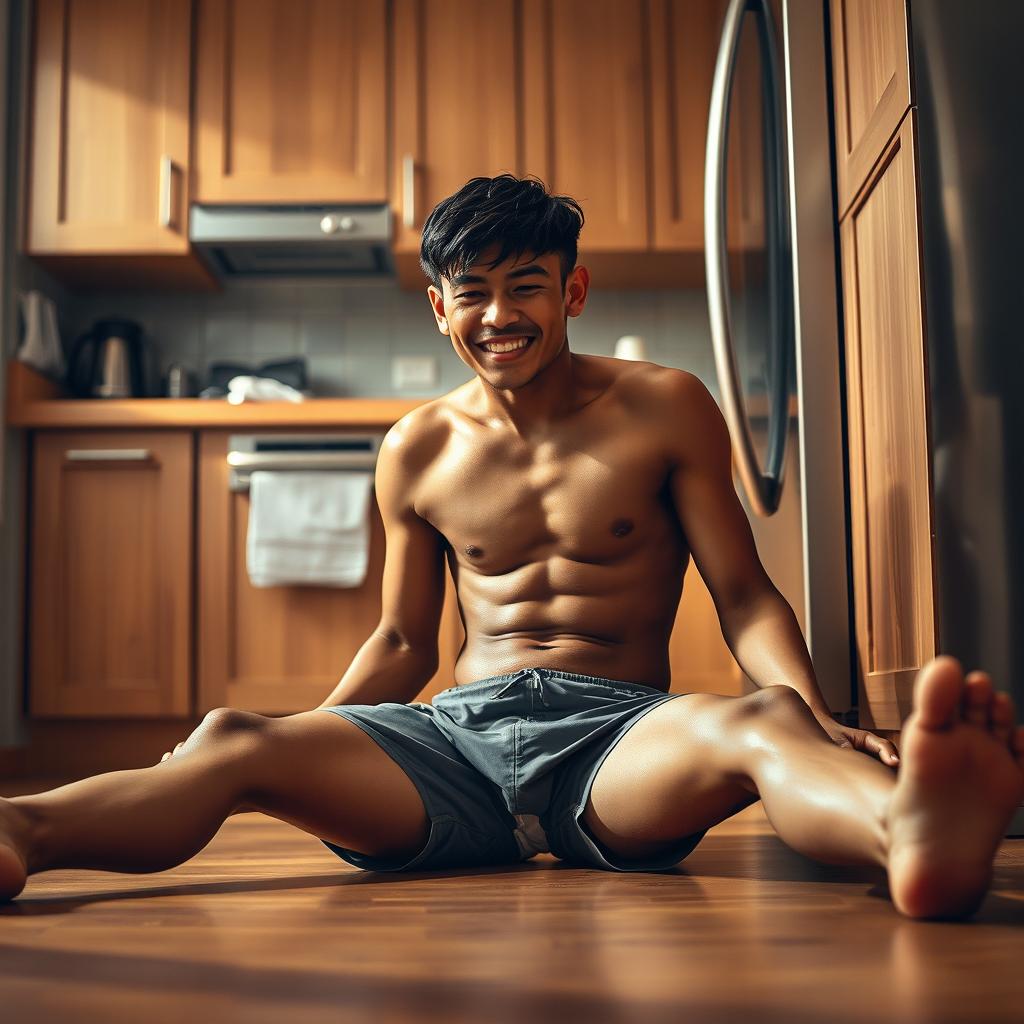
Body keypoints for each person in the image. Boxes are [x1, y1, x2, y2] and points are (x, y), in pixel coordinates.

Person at [1, 175, 1021, 918]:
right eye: (473, 292)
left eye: (525, 286)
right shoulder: (415, 450)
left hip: (616, 742)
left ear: (571, 292)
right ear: (439, 304)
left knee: (755, 727)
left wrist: (806, 710)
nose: (500, 315)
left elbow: (744, 596)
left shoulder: (664, 408)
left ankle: (909, 834)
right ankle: (22, 833)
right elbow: (403, 642)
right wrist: (304, 739)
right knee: (233, 736)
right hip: (451, 745)